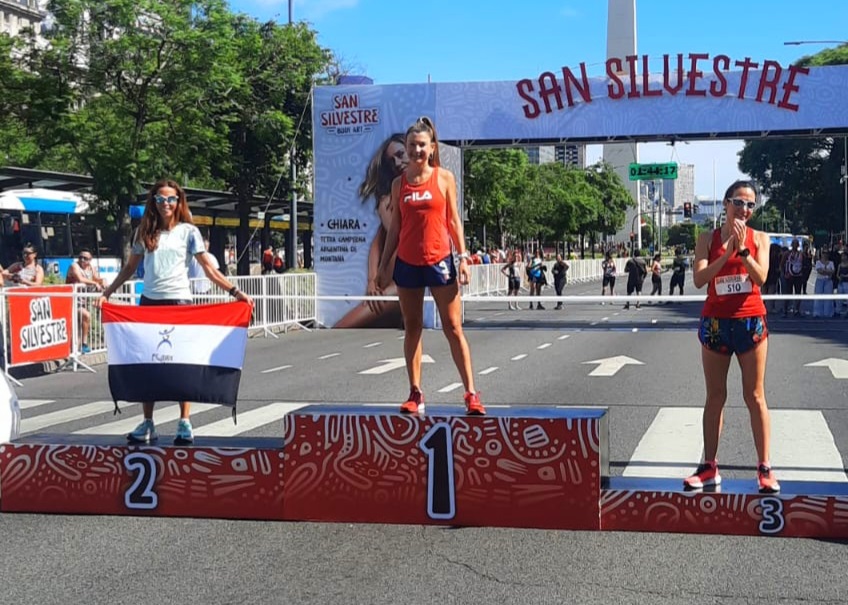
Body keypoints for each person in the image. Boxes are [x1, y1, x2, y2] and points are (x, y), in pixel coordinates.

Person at [99, 179, 253, 445]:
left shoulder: (188, 232)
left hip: (180, 304)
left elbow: (208, 268)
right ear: (153, 203)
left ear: (179, 202)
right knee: (149, 364)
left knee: (183, 363)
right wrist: (107, 293)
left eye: (171, 199)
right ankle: (148, 422)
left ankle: (185, 421)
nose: (166, 204)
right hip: (149, 303)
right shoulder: (143, 232)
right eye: (160, 199)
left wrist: (235, 292)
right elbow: (129, 269)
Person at [376, 116, 485, 416]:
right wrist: (383, 266)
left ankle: (471, 393)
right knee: (412, 328)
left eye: (421, 145)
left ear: (432, 148)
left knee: (452, 327)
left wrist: (463, 258)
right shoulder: (399, 184)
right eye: (411, 145)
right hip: (408, 264)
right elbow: (395, 229)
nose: (415, 151)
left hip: (440, 262)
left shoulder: (444, 178)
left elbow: (453, 221)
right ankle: (415, 393)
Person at [685, 179, 779, 494]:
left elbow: (761, 277)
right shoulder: (705, 239)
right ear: (726, 204)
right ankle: (709, 466)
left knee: (754, 396)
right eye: (739, 202)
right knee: (715, 396)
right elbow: (700, 278)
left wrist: (742, 250)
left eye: (751, 205)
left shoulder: (760, 238)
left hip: (750, 321)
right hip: (716, 323)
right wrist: (725, 255)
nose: (744, 209)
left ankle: (764, 467)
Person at [335, 133, 408, 328]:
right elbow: (379, 241)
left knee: (342, 328)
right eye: (392, 161)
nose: (398, 162)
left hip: (403, 285)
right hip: (390, 285)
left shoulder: (425, 192)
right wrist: (371, 280)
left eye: (400, 154)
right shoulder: (388, 201)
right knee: (342, 329)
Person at [65, 248, 104, 354]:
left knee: (80, 324)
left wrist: (102, 281)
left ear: (90, 260)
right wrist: (95, 283)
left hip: (84, 300)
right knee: (85, 315)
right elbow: (80, 279)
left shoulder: (91, 267)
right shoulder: (74, 266)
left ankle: (77, 348)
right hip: (72, 299)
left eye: (85, 258)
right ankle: (84, 343)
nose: (82, 260)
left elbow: (96, 278)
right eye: (80, 257)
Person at [812, 249, 835, 318]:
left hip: (828, 281)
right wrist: (828, 271)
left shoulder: (831, 263)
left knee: (828, 297)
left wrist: (825, 271)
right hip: (820, 280)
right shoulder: (818, 262)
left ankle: (827, 313)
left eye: (826, 253)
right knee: (818, 296)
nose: (825, 255)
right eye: (824, 253)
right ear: (821, 254)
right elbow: (819, 271)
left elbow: (833, 271)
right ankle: (817, 313)